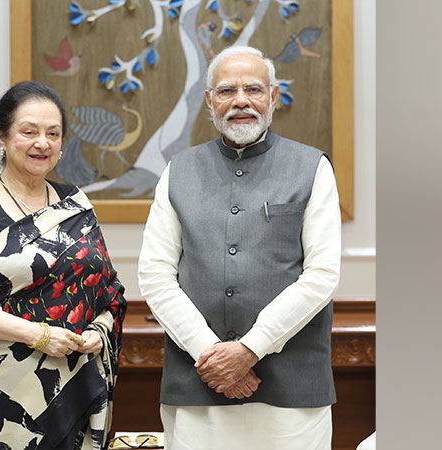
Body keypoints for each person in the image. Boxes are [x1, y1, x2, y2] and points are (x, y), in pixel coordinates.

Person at [138, 45, 341, 449]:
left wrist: (250, 349)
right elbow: (155, 275)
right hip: (199, 381)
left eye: (253, 89)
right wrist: (213, 355)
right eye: (227, 91)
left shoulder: (312, 166)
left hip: (292, 392)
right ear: (210, 101)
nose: (241, 101)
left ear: (274, 97)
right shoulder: (178, 171)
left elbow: (322, 276)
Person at [0, 81, 127, 450]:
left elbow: (110, 293)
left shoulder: (75, 203)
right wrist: (39, 335)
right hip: (2, 393)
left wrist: (98, 332)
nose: (42, 143)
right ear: (3, 138)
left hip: (77, 379)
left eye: (53, 134)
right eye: (29, 132)